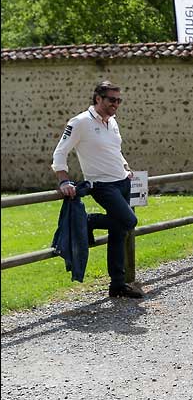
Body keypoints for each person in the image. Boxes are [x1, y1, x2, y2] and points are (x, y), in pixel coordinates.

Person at [51, 80, 143, 298]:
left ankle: (117, 285)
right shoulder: (80, 122)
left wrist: (125, 167)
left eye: (119, 100)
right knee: (129, 221)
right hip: (102, 185)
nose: (116, 104)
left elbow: (115, 150)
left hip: (122, 182)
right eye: (112, 100)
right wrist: (64, 180)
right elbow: (59, 152)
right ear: (98, 99)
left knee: (118, 233)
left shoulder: (112, 122)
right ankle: (87, 221)